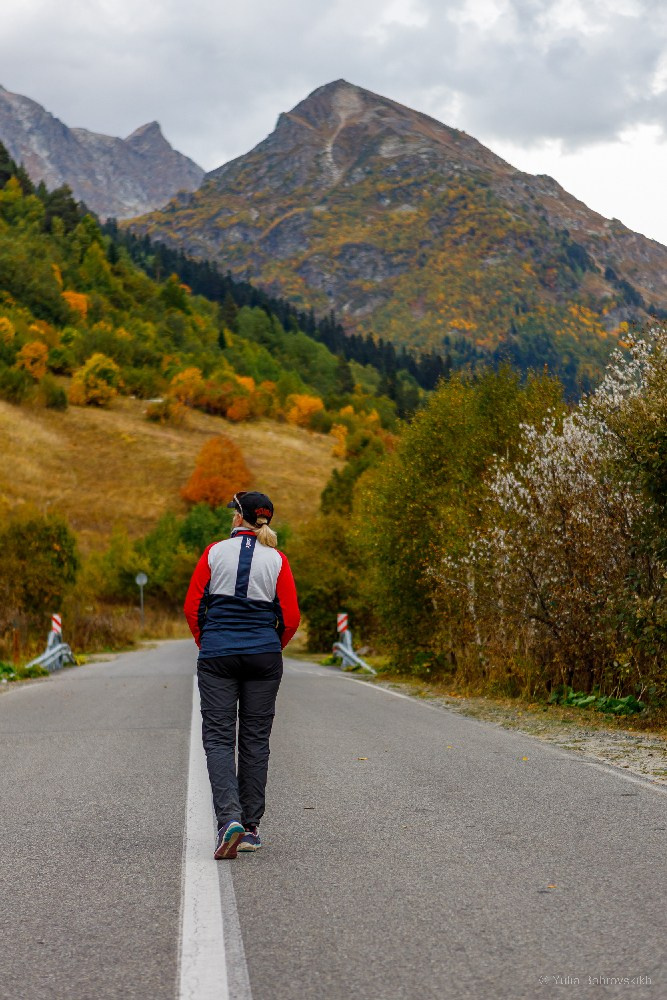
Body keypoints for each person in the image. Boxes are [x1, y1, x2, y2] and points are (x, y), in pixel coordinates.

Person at [184, 490, 300, 859]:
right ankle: (250, 829)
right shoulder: (277, 559)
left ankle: (228, 820)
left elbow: (192, 607)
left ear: (238, 516)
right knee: (255, 740)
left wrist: (208, 643)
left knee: (219, 739)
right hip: (264, 655)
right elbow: (291, 617)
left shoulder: (213, 553)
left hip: (218, 652)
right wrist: (271, 646)